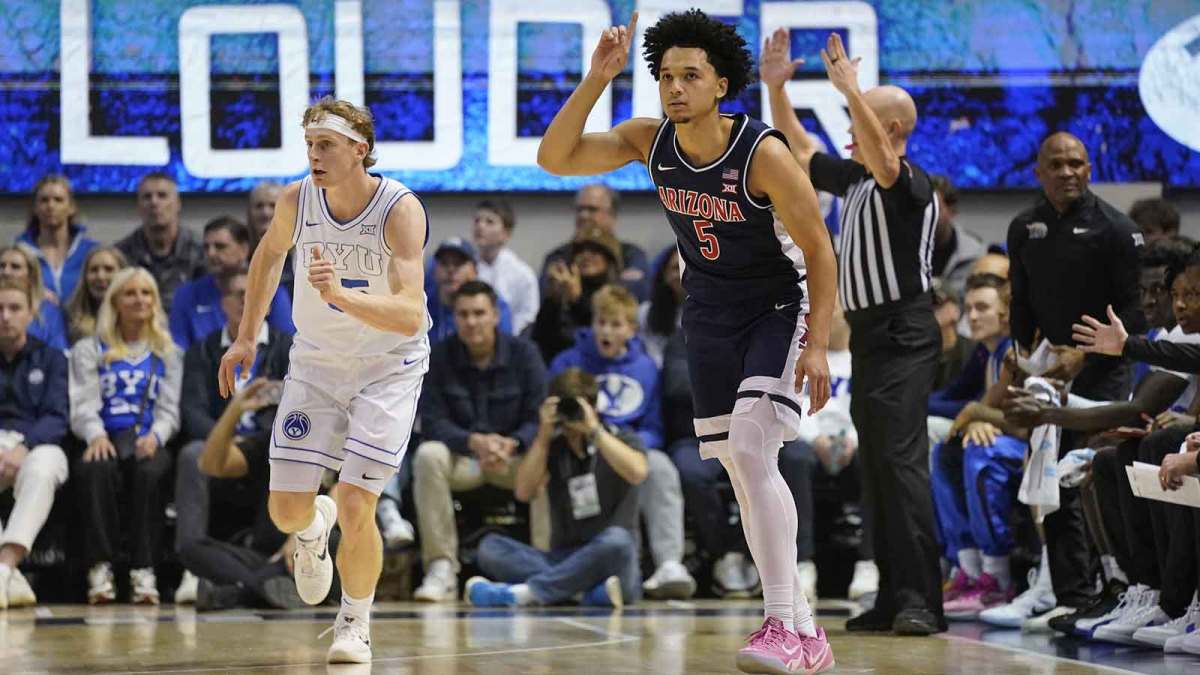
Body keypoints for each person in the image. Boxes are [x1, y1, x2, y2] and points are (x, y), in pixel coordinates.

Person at [538, 10, 838, 672]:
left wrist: (817, 343)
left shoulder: (763, 153)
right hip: (706, 315)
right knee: (740, 463)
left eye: (690, 76)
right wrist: (596, 78)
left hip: (775, 307)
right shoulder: (652, 141)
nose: (674, 88)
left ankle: (783, 623)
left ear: (721, 84)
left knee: (755, 445)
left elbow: (820, 250)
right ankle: (805, 629)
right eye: (666, 76)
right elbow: (553, 156)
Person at [219, 96, 430, 664]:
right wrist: (245, 336)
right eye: (309, 144)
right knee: (285, 511)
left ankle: (354, 622)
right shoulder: (297, 199)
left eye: (326, 145)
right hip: (315, 362)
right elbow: (267, 258)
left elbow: (411, 313)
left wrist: (340, 296)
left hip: (388, 368)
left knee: (358, 501)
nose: (313, 155)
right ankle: (313, 532)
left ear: (360, 149)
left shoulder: (399, 209)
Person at [765, 28, 944, 634]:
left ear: (890, 130)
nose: (850, 128)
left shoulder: (909, 185)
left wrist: (851, 90)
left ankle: (923, 597)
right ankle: (894, 595)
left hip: (905, 334)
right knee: (877, 471)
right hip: (869, 336)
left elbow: (888, 160)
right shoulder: (859, 181)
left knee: (901, 466)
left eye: (861, 117)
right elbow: (796, 148)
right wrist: (775, 90)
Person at [1007, 131, 1146, 620]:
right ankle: (1071, 598)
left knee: (1080, 475)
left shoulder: (1117, 229)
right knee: (1048, 478)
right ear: (1038, 171)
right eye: (1058, 165)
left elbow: (1137, 317)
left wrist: (1083, 358)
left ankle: (1110, 589)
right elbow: (1021, 304)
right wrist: (1020, 353)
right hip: (1045, 372)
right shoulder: (1024, 227)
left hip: (1104, 374)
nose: (1068, 172)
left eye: (1077, 164)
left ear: (1089, 169)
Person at [549, 284, 695, 599]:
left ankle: (669, 563)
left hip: (627, 447)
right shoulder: (567, 361)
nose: (606, 331)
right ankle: (557, 563)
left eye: (615, 324)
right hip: (576, 445)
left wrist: (627, 444)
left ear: (631, 329)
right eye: (600, 322)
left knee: (660, 466)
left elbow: (655, 427)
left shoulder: (645, 369)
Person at [410, 280, 547, 602]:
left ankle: (544, 564)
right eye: (463, 314)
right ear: (454, 317)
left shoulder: (525, 354)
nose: (471, 322)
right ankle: (442, 566)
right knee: (428, 455)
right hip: (464, 459)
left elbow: (537, 416)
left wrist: (512, 443)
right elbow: (432, 422)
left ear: (496, 315)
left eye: (479, 313)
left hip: (511, 459)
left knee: (545, 458)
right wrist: (474, 442)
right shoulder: (440, 357)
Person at [464, 368, 646, 608]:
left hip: (612, 561)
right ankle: (583, 593)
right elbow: (523, 492)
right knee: (490, 547)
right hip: (563, 557)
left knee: (618, 540)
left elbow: (637, 472)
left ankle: (528, 594)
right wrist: (542, 435)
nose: (570, 418)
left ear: (593, 407)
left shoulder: (623, 439)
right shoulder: (553, 447)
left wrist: (594, 430)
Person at [173, 268, 293, 603]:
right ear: (222, 303)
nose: (247, 301)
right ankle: (198, 570)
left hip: (268, 449)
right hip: (219, 444)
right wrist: (226, 435)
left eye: (256, 293)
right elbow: (192, 409)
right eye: (239, 295)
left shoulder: (290, 349)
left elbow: (295, 413)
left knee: (281, 450)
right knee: (191, 454)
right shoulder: (203, 351)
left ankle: (236, 584)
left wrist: (255, 442)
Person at [68, 267, 182, 605]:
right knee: (94, 468)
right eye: (130, 293)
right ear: (115, 301)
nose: (139, 300)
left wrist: (157, 436)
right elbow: (83, 401)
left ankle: (144, 570)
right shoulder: (90, 349)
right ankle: (100, 569)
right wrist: (95, 435)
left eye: (146, 293)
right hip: (104, 435)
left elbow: (169, 408)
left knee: (151, 471)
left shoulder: (168, 352)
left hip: (148, 438)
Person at [183, 377, 303, 612]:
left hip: (312, 551)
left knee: (329, 542)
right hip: (265, 556)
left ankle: (236, 592)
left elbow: (340, 493)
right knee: (191, 549)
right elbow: (211, 465)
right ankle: (261, 589)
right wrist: (234, 410)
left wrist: (303, 537)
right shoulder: (274, 439)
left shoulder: (333, 437)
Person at [0, 278, 69, 609]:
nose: (5, 316)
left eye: (14, 309)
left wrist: (22, 447)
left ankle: (4, 567)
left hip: (36, 445)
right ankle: (8, 579)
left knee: (44, 467)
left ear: (31, 313)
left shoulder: (52, 358)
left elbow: (57, 416)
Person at [168, 217, 293, 350]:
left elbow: (286, 348)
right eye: (206, 247)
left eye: (220, 247)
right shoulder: (186, 294)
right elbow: (178, 350)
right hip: (203, 367)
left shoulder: (271, 292)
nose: (210, 253)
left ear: (244, 249)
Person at [540, 184, 651, 301]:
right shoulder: (559, 256)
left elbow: (635, 296)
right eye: (579, 210)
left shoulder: (631, 255)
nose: (583, 215)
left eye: (592, 209)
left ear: (612, 215)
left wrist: (577, 297)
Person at [116, 172, 205, 313]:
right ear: (138, 206)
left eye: (162, 195)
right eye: (147, 197)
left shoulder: (202, 251)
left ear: (178, 204)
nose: (154, 202)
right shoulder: (121, 254)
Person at [532, 225, 624, 362]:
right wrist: (553, 300)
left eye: (595, 251)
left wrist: (578, 300)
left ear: (609, 260)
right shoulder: (564, 288)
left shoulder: (618, 294)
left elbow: (604, 336)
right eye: (580, 251)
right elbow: (540, 341)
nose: (586, 256)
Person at [15, 174, 99, 303]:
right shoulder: (20, 253)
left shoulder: (92, 252)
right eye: (44, 200)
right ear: (35, 208)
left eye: (58, 200)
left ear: (71, 207)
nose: (50, 206)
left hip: (83, 322)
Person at [426, 238, 513, 343]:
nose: (451, 270)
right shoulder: (422, 304)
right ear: (434, 270)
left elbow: (504, 348)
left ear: (475, 270)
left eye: (458, 263)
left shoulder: (493, 305)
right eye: (444, 263)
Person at [471, 199, 539, 334]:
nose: (480, 226)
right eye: (477, 220)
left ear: (506, 234)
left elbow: (528, 316)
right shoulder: (465, 268)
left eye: (489, 222)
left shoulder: (523, 274)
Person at [0, 245, 69, 352]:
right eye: (2, 266)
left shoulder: (49, 311)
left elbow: (58, 354)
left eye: (15, 267)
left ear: (31, 274)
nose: (6, 272)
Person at [929, 175, 985, 302]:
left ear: (951, 211)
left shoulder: (976, 255)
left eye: (934, 208)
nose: (927, 216)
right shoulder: (902, 253)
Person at [64, 246, 128, 344]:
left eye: (108, 269)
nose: (100, 276)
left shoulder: (137, 317)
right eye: (94, 270)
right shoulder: (69, 318)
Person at [246, 181, 292, 299]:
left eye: (273, 205)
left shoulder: (303, 250)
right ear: (249, 213)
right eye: (259, 206)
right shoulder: (239, 253)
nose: (265, 213)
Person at [639, 246, 684, 366]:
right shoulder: (645, 313)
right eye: (676, 268)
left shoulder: (710, 313)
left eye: (688, 267)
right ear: (664, 275)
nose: (683, 273)